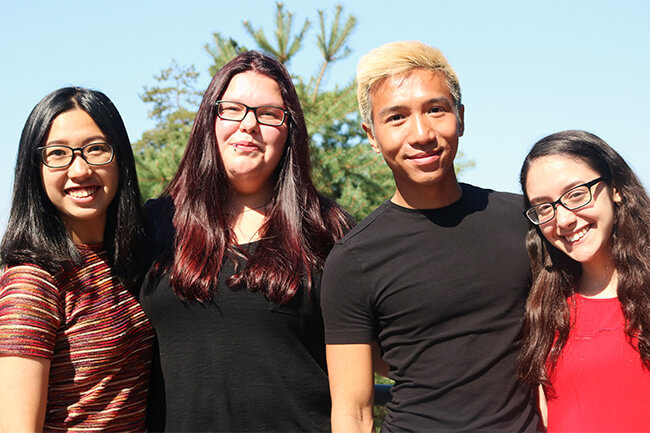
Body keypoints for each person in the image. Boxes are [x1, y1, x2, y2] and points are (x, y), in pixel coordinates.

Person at [321, 40, 539, 432]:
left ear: (461, 117)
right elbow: (352, 412)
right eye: (397, 118)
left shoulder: (524, 220)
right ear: (371, 135)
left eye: (435, 109)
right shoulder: (354, 259)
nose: (421, 133)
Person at [140, 50, 354, 432]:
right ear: (211, 119)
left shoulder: (329, 231)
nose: (249, 125)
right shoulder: (155, 225)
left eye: (269, 114)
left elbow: (388, 350)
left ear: (290, 130)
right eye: (233, 109)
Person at [0, 87, 153, 432]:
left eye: (96, 149)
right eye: (57, 154)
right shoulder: (33, 281)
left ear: (120, 159)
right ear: (34, 169)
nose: (80, 169)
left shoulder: (134, 260)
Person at [518, 130, 650, 432]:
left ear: (615, 188)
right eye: (544, 207)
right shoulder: (543, 308)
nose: (563, 220)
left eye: (576, 194)